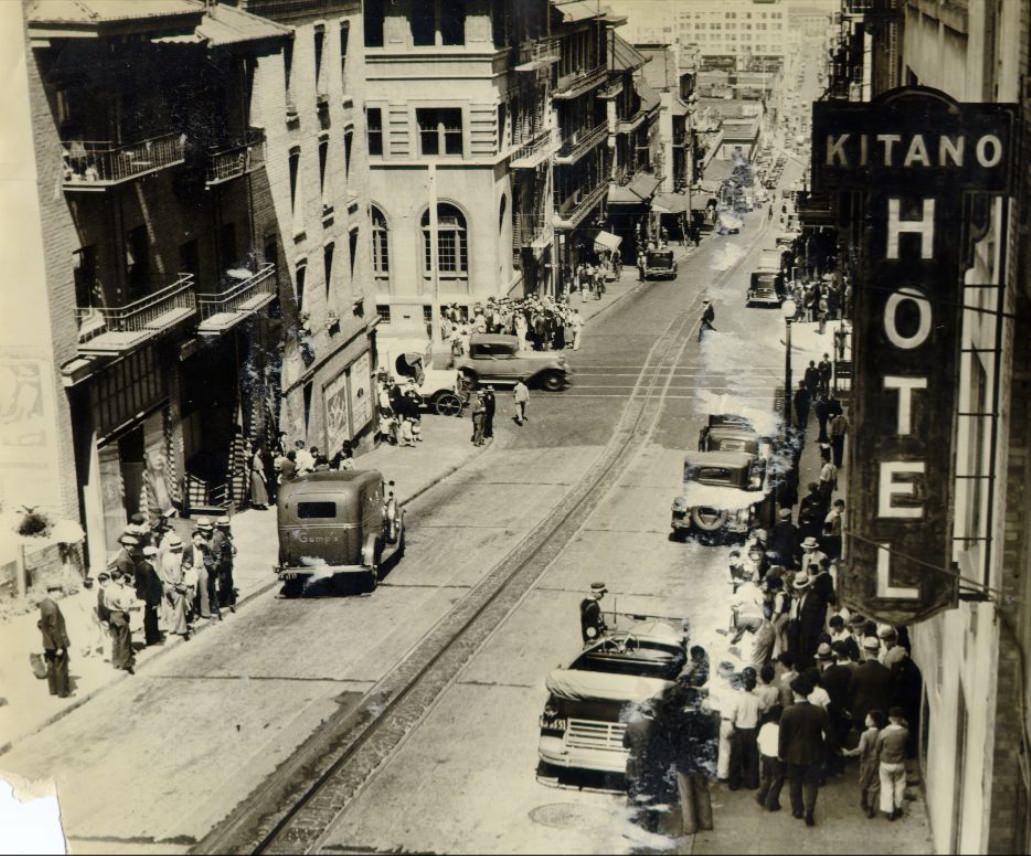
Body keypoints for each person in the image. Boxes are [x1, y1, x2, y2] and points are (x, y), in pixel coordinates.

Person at [779, 674, 836, 826]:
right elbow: (829, 734)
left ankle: (797, 809)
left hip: (793, 753)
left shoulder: (787, 712)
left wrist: (781, 753)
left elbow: (783, 736)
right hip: (815, 752)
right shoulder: (819, 712)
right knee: (811, 783)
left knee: (795, 782)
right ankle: (809, 811)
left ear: (795, 692)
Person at [671, 687, 718, 834]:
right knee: (702, 790)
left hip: (683, 760)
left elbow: (673, 741)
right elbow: (712, 739)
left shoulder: (678, 719)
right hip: (701, 760)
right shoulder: (705, 718)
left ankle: (690, 826)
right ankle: (706, 822)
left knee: (686, 795)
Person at [842, 709, 884, 818]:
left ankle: (864, 800)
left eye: (867, 718)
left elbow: (861, 749)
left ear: (872, 721)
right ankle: (871, 806)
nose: (865, 720)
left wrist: (848, 753)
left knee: (864, 782)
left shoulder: (865, 734)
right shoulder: (882, 733)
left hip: (866, 763)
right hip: (878, 762)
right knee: (875, 785)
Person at [850, 637, 893, 738]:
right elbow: (890, 693)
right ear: (877, 652)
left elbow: (851, 692)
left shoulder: (858, 671)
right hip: (881, 712)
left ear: (865, 651)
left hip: (861, 714)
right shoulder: (886, 672)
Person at [728, 669, 762, 790]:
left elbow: (732, 717)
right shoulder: (757, 699)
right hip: (752, 730)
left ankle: (734, 783)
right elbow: (763, 709)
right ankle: (752, 782)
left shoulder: (738, 698)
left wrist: (733, 727)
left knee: (736, 757)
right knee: (752, 757)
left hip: (739, 729)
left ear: (743, 684)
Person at [38, 583, 71, 698]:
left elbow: (42, 623)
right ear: (52, 592)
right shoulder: (52, 607)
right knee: (61, 666)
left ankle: (53, 690)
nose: (60, 594)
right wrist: (60, 646)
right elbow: (54, 628)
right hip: (56, 642)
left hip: (48, 643)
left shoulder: (44, 603)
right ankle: (63, 692)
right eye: (59, 592)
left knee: (51, 666)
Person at [877, 707, 910, 820]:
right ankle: (898, 807)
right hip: (899, 763)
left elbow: (878, 748)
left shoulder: (883, 732)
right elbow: (907, 745)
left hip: (886, 763)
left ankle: (889, 811)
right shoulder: (905, 732)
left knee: (886, 786)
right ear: (901, 719)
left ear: (889, 718)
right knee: (900, 785)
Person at [104, 570, 136, 674]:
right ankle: (126, 663)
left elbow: (106, 603)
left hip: (112, 615)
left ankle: (116, 662)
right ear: (116, 579)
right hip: (120, 614)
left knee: (116, 639)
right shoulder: (116, 590)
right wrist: (124, 608)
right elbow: (118, 602)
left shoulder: (108, 589)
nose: (123, 579)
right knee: (124, 639)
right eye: (122, 578)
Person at [159, 535, 191, 640]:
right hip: (174, 587)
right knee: (178, 609)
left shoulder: (165, 557)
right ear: (176, 548)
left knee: (169, 608)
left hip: (166, 585)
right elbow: (177, 579)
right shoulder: (175, 561)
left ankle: (172, 628)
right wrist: (184, 589)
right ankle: (181, 629)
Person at [756, 706, 785, 811]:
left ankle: (761, 796)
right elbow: (782, 745)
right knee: (778, 779)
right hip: (776, 757)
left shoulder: (765, 726)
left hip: (765, 755)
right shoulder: (781, 729)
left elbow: (759, 741)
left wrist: (761, 753)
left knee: (767, 778)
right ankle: (771, 802)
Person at [136, 546, 165, 646]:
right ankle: (153, 640)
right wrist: (154, 601)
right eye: (155, 555)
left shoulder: (141, 565)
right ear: (151, 556)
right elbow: (150, 586)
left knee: (149, 618)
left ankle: (152, 638)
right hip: (150, 598)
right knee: (151, 619)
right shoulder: (148, 568)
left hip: (144, 596)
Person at [214, 517, 237, 613]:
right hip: (223, 562)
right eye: (225, 526)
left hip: (228, 561)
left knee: (228, 581)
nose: (227, 528)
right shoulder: (218, 536)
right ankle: (224, 601)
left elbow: (229, 543)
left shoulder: (226, 534)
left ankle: (228, 600)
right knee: (224, 581)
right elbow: (218, 551)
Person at [249, 444, 270, 509]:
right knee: (259, 489)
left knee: (255, 489)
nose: (260, 452)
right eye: (259, 450)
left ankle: (256, 503)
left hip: (253, 474)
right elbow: (260, 470)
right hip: (257, 475)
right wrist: (264, 478)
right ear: (256, 451)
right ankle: (259, 503)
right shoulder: (256, 459)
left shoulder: (253, 458)